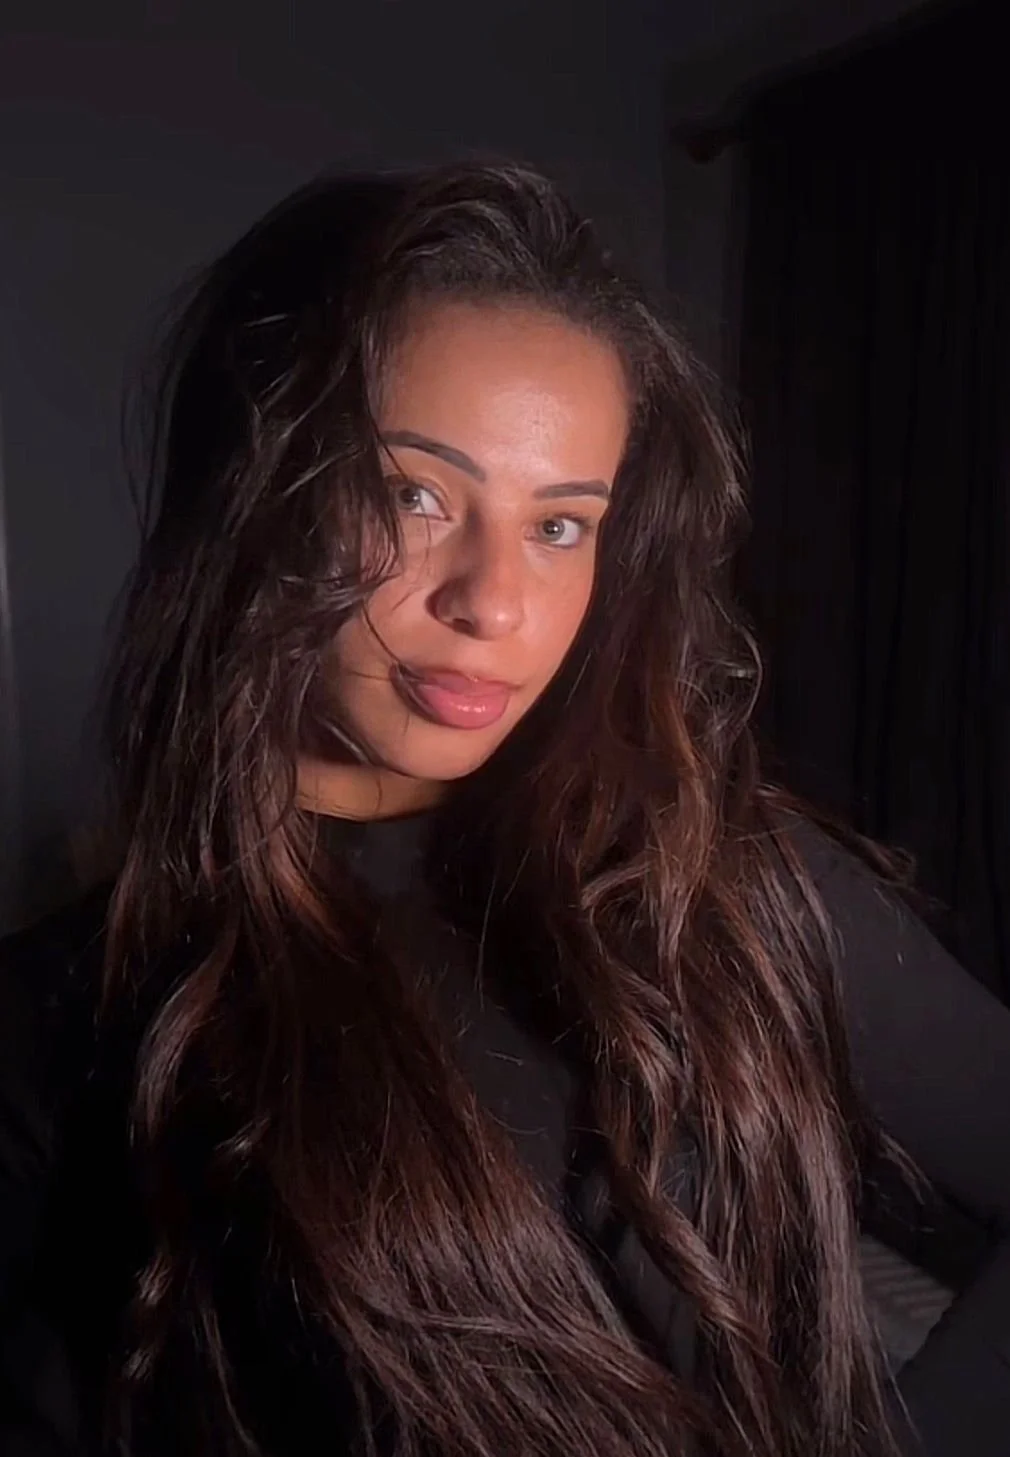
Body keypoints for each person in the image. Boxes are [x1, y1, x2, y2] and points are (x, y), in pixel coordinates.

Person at [1, 163, 1008, 1457]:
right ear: (253, 497)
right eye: (413, 496)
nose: (494, 605)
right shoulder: (72, 1019)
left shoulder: (723, 876)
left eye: (560, 525)